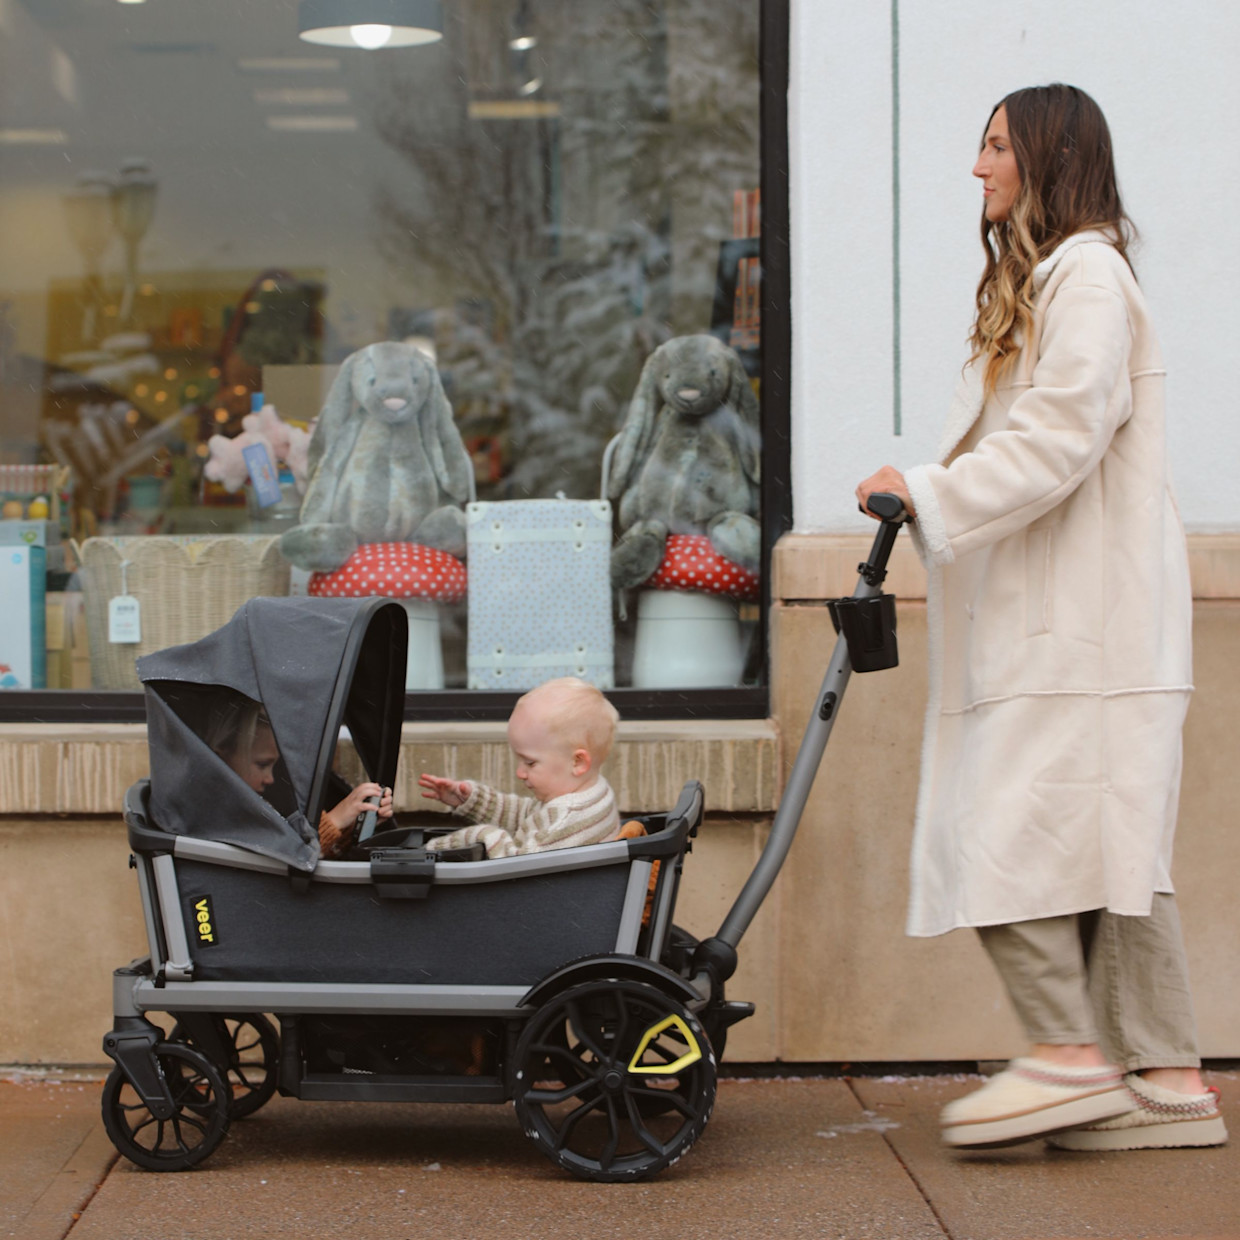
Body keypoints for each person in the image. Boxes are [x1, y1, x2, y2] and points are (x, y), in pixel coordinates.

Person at [856, 84, 1226, 1152]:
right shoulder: (1059, 280)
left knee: (1000, 824)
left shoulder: (1089, 278)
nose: (977, 170)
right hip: (1075, 623)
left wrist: (925, 489)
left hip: (1081, 629)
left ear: (1048, 161)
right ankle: (1168, 1082)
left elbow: (1061, 437)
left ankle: (1066, 1055)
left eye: (995, 148)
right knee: (1111, 851)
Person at [418, 677, 620, 858]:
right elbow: (526, 815)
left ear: (577, 762)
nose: (520, 773)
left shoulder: (566, 820)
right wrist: (472, 800)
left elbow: (518, 870)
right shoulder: (590, 792)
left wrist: (481, 837)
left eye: (530, 763)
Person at [205, 692, 393, 860]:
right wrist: (334, 821)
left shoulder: (255, 803)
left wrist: (352, 826)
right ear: (223, 756)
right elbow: (280, 863)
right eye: (262, 765)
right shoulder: (217, 813)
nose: (270, 778)